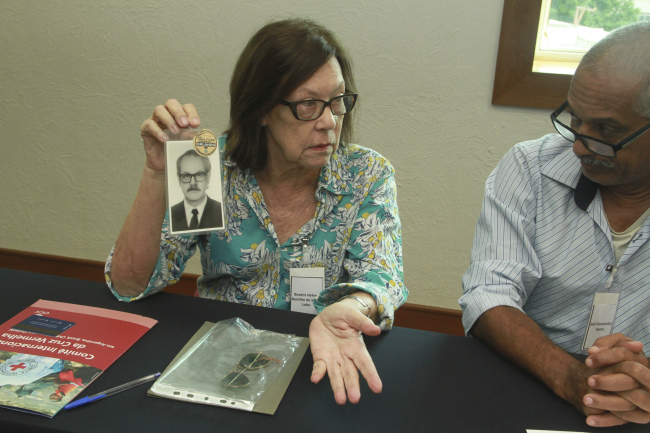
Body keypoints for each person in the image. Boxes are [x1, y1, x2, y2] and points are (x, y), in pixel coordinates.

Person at [105, 18, 407, 405]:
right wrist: (155, 174)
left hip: (321, 359)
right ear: (262, 109)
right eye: (308, 105)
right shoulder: (207, 166)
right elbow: (130, 286)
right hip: (217, 362)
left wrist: (351, 306)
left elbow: (383, 276)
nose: (329, 122)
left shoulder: (366, 175)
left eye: (338, 101)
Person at [460, 22, 650, 427]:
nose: (580, 144)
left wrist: (635, 380)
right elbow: (488, 295)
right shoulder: (530, 167)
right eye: (575, 119)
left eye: (606, 130)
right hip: (525, 376)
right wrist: (571, 378)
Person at [170, 150, 223, 231]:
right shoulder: (170, 215)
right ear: (179, 179)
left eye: (199, 175)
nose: (193, 183)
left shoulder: (221, 212)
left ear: (208, 178)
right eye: (186, 176)